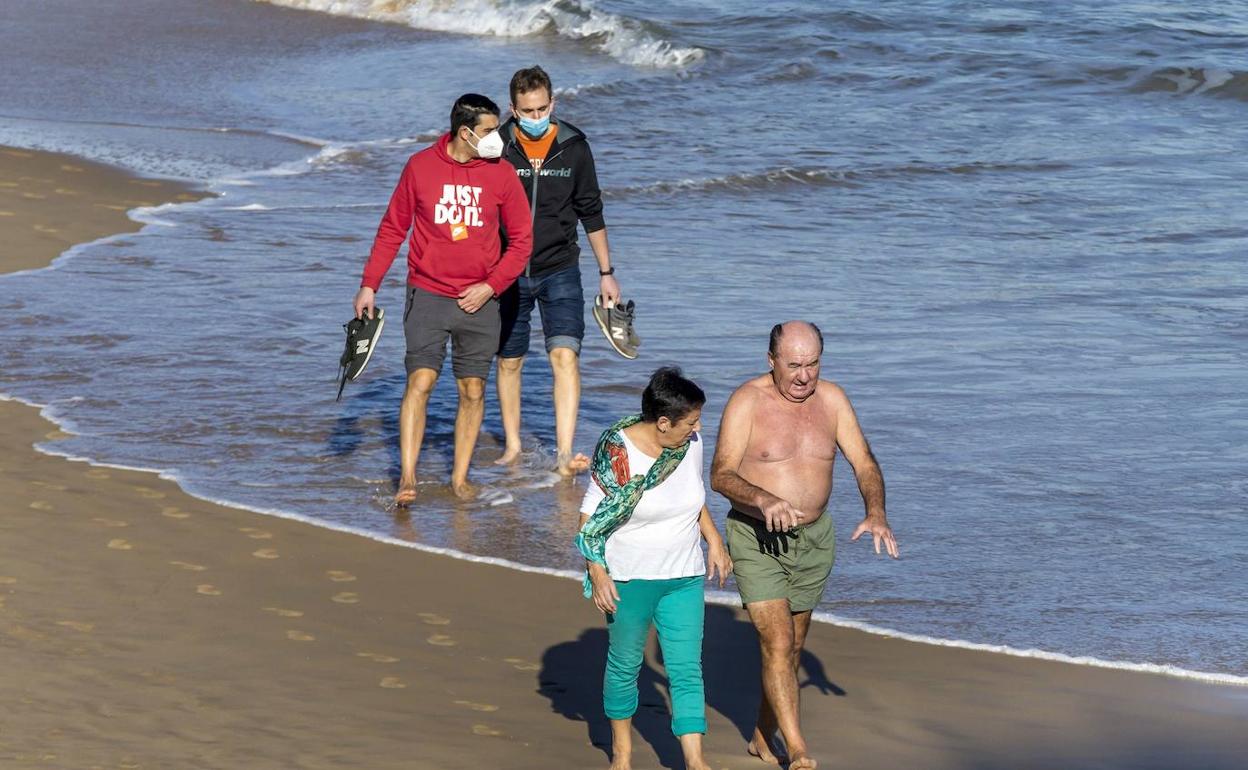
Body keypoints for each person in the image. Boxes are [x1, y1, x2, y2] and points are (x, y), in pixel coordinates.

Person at [709, 321, 899, 769]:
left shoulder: (832, 400)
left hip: (814, 540)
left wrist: (876, 512)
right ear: (770, 360)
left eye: (812, 364)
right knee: (776, 643)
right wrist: (763, 498)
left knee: (792, 646)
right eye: (793, 365)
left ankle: (761, 733)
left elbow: (864, 461)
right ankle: (797, 751)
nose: (803, 376)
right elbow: (720, 474)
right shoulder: (747, 401)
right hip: (757, 538)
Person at [353, 93, 532, 505]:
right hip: (428, 293)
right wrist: (369, 284)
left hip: (483, 299)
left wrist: (491, 286)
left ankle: (459, 477)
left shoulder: (502, 174)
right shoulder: (420, 167)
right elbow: (392, 230)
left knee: (472, 390)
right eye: (488, 131)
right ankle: (408, 476)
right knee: (421, 381)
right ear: (465, 132)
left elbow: (521, 243)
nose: (497, 138)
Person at [577, 367, 731, 770]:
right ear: (663, 422)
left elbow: (692, 497)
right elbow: (589, 518)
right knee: (625, 665)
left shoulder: (689, 444)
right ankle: (622, 756)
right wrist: (597, 571)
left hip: (684, 575)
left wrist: (713, 540)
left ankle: (696, 762)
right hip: (629, 578)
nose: (698, 429)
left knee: (685, 668)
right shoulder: (616, 452)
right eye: (691, 421)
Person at [495, 65, 630, 477]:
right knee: (509, 361)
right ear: (513, 109)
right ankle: (513, 447)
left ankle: (564, 453)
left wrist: (607, 272)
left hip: (561, 268)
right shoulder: (496, 145)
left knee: (564, 355)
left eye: (541, 109)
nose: (535, 118)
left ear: (552, 104)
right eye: (526, 111)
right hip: (508, 270)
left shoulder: (574, 147)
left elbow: (591, 211)